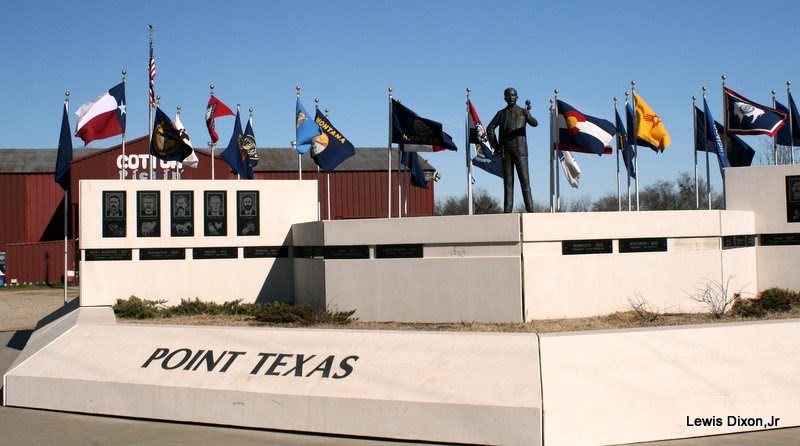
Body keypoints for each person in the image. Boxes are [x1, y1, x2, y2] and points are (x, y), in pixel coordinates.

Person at [486, 87, 538, 213]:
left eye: (513, 95)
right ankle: (507, 210)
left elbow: (534, 123)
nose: (511, 97)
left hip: (520, 151)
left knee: (525, 181)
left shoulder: (523, 112)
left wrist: (528, 115)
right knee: (508, 183)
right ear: (505, 98)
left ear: (517, 97)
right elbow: (489, 129)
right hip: (506, 151)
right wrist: (496, 146)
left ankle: (530, 210)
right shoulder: (501, 114)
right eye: (508, 95)